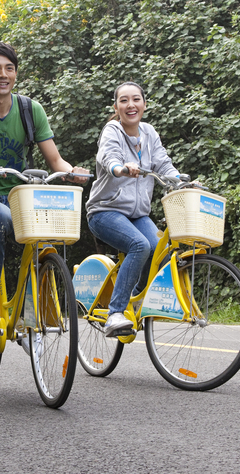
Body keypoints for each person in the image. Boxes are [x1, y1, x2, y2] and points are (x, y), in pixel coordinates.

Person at [0, 42, 88, 335]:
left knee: (51, 228)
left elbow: (55, 160)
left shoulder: (29, 110)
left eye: (9, 68)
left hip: (20, 198)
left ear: (15, 74)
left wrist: (73, 173)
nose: (3, 74)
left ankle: (31, 312)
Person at [85, 81, 184, 337]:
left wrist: (180, 180)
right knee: (140, 245)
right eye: (124, 100)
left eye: (136, 99)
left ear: (144, 104)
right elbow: (109, 158)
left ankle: (137, 299)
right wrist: (121, 168)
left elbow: (163, 162)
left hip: (138, 214)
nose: (131, 105)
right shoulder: (112, 131)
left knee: (158, 248)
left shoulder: (149, 132)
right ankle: (115, 313)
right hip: (104, 211)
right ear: (116, 107)